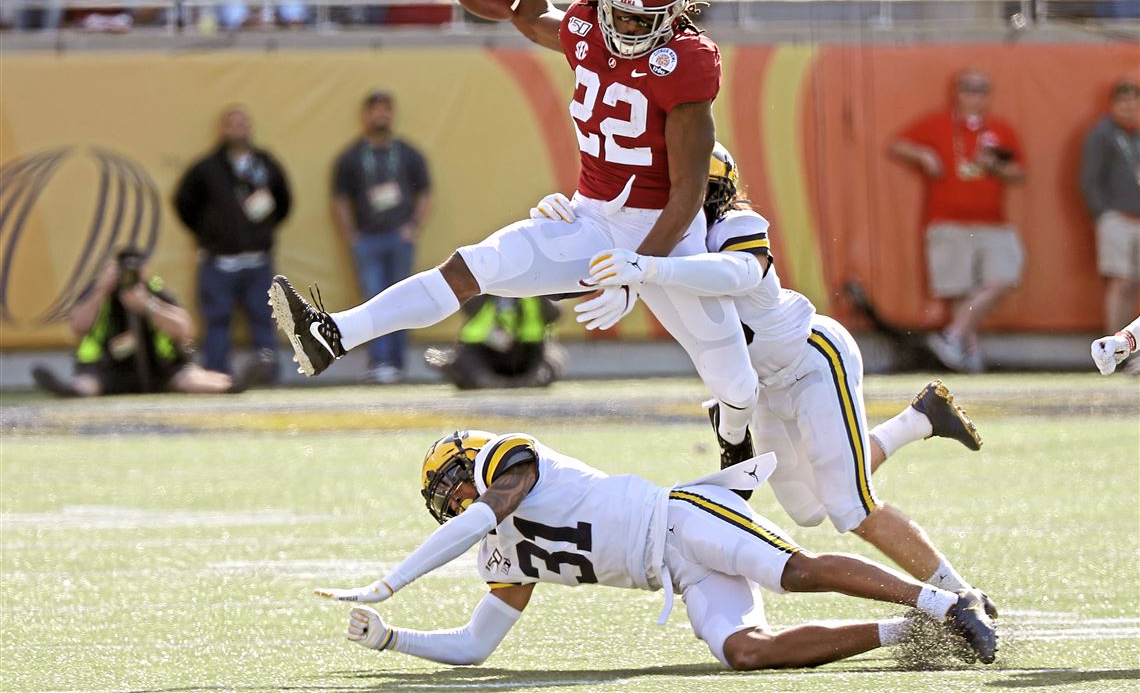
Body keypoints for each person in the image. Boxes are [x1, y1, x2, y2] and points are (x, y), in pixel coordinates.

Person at [269, 0, 761, 467]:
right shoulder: (590, 22)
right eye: (617, 12)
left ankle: (733, 432)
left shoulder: (687, 63)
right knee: (470, 267)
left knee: (736, 385)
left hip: (665, 234)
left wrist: (639, 270)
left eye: (640, 21)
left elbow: (687, 193)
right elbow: (532, 15)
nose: (622, 27)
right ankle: (334, 334)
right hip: (592, 221)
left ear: (674, 13)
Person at [531, 142, 997, 617]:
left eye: (693, 188)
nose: (682, 199)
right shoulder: (649, 240)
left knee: (849, 505)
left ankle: (961, 594)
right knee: (808, 509)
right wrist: (562, 224)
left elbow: (737, 271)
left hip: (810, 359)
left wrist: (650, 268)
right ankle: (918, 420)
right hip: (762, 388)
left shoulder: (736, 224)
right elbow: (583, 266)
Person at [313, 430, 998, 669]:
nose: (461, 499)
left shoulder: (508, 463)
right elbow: (473, 646)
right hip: (674, 571)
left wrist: (389, 583)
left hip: (685, 517)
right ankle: (908, 628)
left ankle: (946, 602)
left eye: (458, 484)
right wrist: (390, 641)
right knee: (744, 652)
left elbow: (476, 518)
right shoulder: (501, 552)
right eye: (451, 494)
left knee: (797, 572)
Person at [890, 69, 1027, 373]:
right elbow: (897, 144)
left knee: (1004, 277)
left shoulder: (1000, 128)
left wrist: (995, 168)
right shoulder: (938, 123)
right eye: (968, 88)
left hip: (992, 221)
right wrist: (924, 154)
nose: (973, 95)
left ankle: (952, 336)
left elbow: (1019, 171)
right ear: (957, 92)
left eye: (980, 89)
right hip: (947, 219)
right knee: (958, 288)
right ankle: (969, 355)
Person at [174, 105, 291, 382]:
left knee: (264, 321)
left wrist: (262, 231)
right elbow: (184, 203)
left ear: (250, 128)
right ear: (222, 130)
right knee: (216, 323)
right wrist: (207, 234)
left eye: (243, 123)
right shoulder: (206, 168)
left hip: (258, 262)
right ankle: (216, 379)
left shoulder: (266, 163)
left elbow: (284, 201)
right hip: (218, 263)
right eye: (232, 123)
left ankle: (267, 376)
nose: (238, 129)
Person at [31, 248, 236, 397]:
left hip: (161, 369)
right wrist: (102, 290)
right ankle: (67, 391)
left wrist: (147, 305)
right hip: (107, 369)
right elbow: (77, 326)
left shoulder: (155, 291)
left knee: (192, 380)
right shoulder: (100, 293)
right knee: (86, 385)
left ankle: (232, 385)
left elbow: (185, 330)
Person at [330, 90, 432, 383]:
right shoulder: (351, 156)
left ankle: (398, 363)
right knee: (373, 301)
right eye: (376, 110)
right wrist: (351, 234)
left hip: (400, 238)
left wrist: (414, 226)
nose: (382, 115)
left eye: (387, 109)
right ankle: (380, 362)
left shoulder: (407, 152)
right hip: (368, 240)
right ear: (365, 115)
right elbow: (340, 198)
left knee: (403, 301)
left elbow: (425, 192)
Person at [1081, 79, 1140, 367]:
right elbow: (1090, 180)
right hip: (1117, 217)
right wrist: (1103, 214)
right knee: (1122, 281)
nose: (1129, 107)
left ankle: (1129, 349)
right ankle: (1113, 349)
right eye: (1123, 101)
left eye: (1134, 101)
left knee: (1134, 282)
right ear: (1113, 105)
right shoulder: (1102, 134)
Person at [426, 295, 564, 390]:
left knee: (553, 357)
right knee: (455, 360)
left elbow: (554, 314)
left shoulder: (534, 289)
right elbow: (468, 308)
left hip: (528, 351)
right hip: (482, 352)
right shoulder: (483, 289)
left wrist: (535, 288)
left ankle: (532, 380)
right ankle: (485, 381)